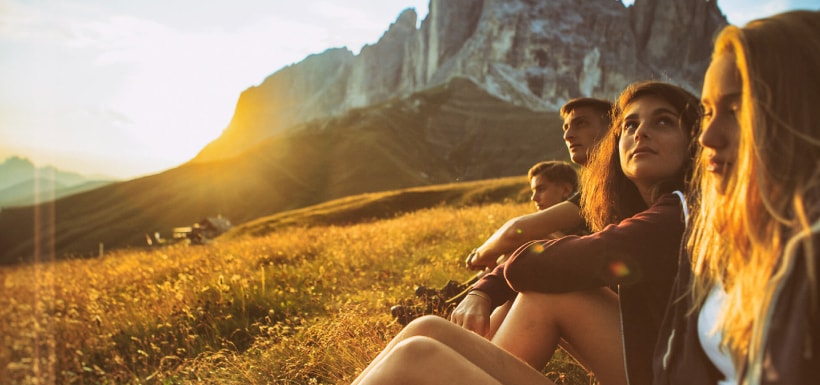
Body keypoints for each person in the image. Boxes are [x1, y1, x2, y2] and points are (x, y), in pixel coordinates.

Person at [352, 80, 700, 385]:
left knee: (418, 354)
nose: (640, 132)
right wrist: (483, 291)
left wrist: (489, 282)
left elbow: (577, 254)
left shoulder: (682, 212)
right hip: (656, 366)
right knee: (425, 329)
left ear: (694, 141)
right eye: (630, 125)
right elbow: (561, 260)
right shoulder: (650, 209)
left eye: (664, 122)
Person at [652, 10, 820, 385]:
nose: (706, 137)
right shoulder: (715, 229)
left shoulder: (810, 247)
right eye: (708, 110)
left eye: (737, 109)